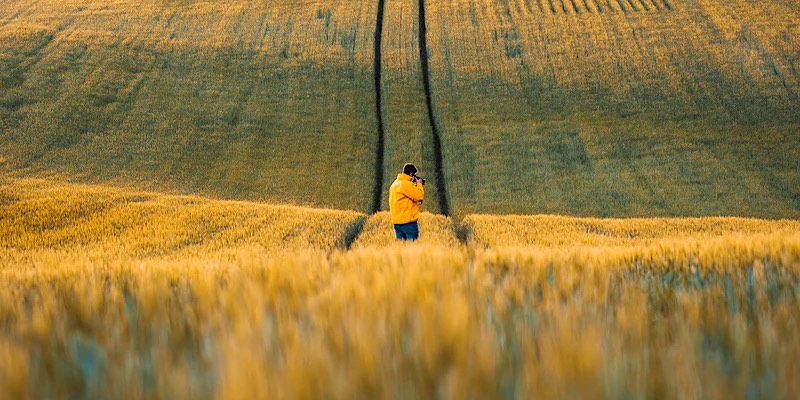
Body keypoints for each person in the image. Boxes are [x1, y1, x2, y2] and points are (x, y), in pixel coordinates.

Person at [389, 163, 425, 241]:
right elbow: (419, 196)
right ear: (411, 174)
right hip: (408, 223)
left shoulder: (395, 184)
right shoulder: (406, 184)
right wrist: (419, 184)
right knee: (411, 250)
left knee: (401, 250)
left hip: (397, 222)